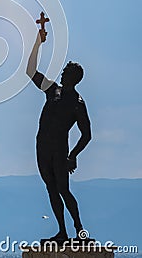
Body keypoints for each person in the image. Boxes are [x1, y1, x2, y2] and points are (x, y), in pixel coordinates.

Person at [26, 27, 92, 242]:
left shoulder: (77, 103)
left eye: (66, 71)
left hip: (59, 149)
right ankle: (62, 233)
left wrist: (73, 155)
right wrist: (37, 43)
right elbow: (30, 71)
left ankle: (79, 231)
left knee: (63, 189)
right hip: (42, 146)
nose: (62, 73)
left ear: (74, 77)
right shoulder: (52, 89)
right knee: (51, 189)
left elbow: (86, 134)